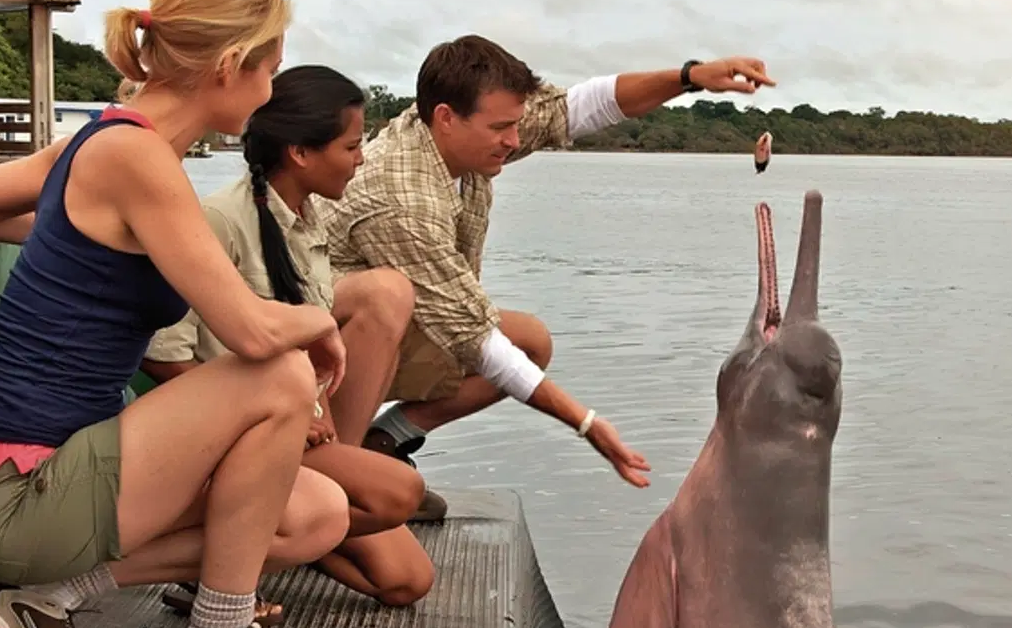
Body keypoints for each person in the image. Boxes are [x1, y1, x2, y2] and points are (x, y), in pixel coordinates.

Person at [0, 0, 357, 628]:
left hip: (53, 484)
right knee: (281, 374)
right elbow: (253, 333)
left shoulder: (109, 143)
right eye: (269, 71)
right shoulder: (131, 155)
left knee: (316, 514)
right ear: (229, 66)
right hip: (12, 497)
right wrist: (321, 320)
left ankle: (51, 595)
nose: (271, 91)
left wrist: (71, 237)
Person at [320, 37, 775, 490]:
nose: (515, 141)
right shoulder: (401, 197)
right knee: (390, 299)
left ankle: (385, 440)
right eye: (502, 128)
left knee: (528, 342)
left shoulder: (459, 135)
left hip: (387, 339)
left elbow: (582, 107)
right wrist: (586, 423)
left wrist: (690, 77)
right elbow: (473, 336)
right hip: (319, 359)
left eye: (515, 124)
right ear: (446, 118)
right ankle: (336, 470)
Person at [141, 64, 436, 614]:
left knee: (406, 581)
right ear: (300, 152)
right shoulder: (220, 220)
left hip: (295, 435)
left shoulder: (308, 220)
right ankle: (224, 564)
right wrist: (273, 412)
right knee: (399, 492)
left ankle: (253, 550)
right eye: (351, 146)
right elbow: (164, 357)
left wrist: (314, 414)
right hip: (235, 444)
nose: (361, 159)